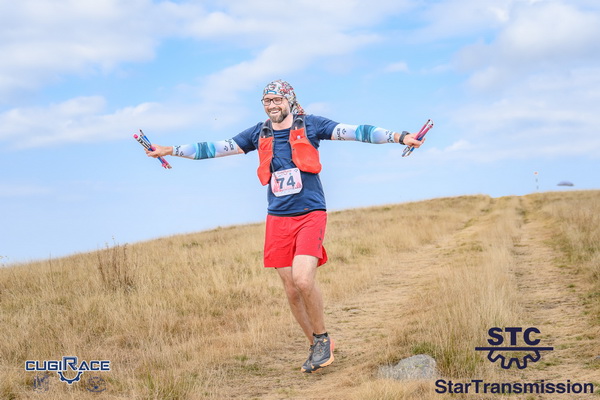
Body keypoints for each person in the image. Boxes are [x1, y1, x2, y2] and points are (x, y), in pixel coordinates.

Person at [146, 79, 424, 373]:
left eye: (277, 100)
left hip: (309, 213)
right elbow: (214, 148)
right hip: (277, 217)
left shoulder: (311, 125)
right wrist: (169, 149)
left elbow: (357, 132)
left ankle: (322, 338)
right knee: (291, 290)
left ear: (290, 100)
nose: (272, 105)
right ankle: (317, 345)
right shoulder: (258, 132)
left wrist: (399, 137)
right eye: (267, 101)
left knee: (303, 280)